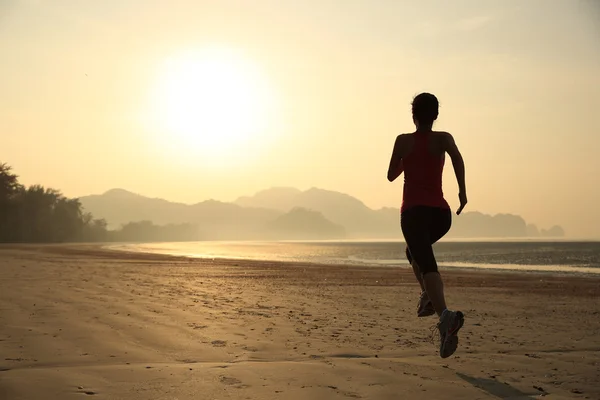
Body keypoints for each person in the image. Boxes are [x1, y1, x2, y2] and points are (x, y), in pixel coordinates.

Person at [387, 92, 467, 359]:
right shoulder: (443, 138)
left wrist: (406, 161)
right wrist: (462, 193)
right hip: (441, 215)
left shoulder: (403, 141)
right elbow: (457, 158)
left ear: (413, 115)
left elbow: (390, 175)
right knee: (414, 253)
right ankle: (428, 297)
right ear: (435, 115)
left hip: (413, 213)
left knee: (425, 260)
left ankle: (445, 315)